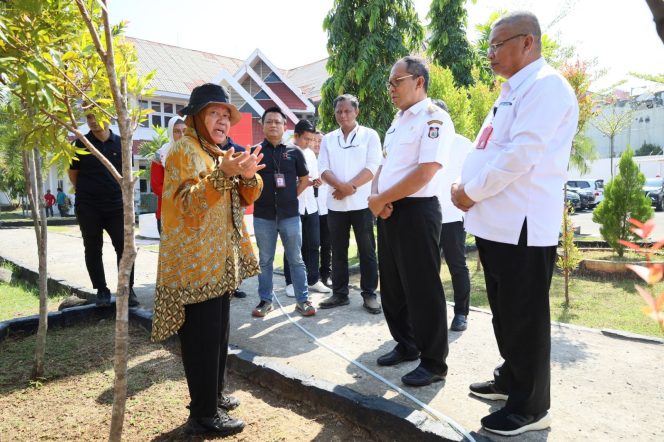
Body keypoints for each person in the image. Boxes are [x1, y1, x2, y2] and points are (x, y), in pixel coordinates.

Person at [451, 11, 579, 436]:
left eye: (498, 43)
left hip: (522, 224)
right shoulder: (510, 91)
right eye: (488, 44)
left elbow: (521, 156)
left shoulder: (546, 88)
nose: (490, 53)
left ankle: (531, 406)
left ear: (528, 42)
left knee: (524, 316)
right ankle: (511, 380)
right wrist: (464, 182)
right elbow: (486, 145)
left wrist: (470, 190)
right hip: (495, 223)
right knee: (505, 315)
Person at [151, 83, 264, 436]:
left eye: (225, 115)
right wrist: (224, 174)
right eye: (214, 113)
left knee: (218, 336)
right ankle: (202, 415)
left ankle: (214, 396)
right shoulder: (184, 150)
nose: (222, 121)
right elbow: (186, 205)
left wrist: (247, 176)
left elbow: (242, 199)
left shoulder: (216, 152)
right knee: (201, 340)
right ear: (196, 117)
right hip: (195, 266)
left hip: (219, 262)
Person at [369, 56, 454, 386]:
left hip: (417, 211)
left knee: (422, 288)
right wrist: (377, 197)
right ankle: (407, 344)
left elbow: (425, 172)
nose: (390, 89)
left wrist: (384, 198)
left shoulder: (435, 119)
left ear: (419, 81)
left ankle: (433, 363)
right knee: (392, 285)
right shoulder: (397, 121)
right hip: (389, 210)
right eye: (389, 83)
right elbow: (385, 165)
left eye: (396, 82)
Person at [318, 94, 382, 314]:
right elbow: (323, 168)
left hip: (362, 204)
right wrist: (340, 186)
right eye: (339, 111)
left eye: (347, 111)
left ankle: (369, 294)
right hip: (335, 205)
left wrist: (349, 188)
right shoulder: (328, 138)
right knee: (338, 250)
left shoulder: (369, 135)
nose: (343, 115)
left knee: (367, 250)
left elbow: (373, 166)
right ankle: (339, 293)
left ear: (357, 112)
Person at [251, 106, 316, 318]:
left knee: (296, 258)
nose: (273, 125)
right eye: (269, 121)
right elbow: (246, 181)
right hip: (263, 216)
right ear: (262, 125)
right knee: (265, 260)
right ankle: (265, 301)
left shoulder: (295, 152)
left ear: (284, 126)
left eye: (277, 122)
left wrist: (290, 197)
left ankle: (302, 300)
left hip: (290, 216)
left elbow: (305, 179)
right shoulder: (254, 152)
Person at [69, 112, 139, 307]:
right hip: (88, 205)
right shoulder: (81, 144)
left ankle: (127, 290)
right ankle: (101, 290)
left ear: (108, 116)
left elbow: (128, 174)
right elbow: (73, 174)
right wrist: (88, 193)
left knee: (125, 248)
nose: (92, 122)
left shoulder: (122, 143)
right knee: (92, 248)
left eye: (96, 116)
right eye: (89, 118)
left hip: (117, 205)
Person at [432, 99, 472, 333]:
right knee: (429, 268)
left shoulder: (463, 144)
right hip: (428, 216)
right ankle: (433, 312)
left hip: (454, 217)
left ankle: (461, 313)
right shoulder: (426, 144)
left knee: (457, 266)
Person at [283, 120, 331, 296]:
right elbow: (286, 183)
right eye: (306, 139)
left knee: (313, 244)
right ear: (296, 136)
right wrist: (305, 182)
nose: (310, 143)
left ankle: (313, 279)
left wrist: (316, 182)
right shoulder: (286, 152)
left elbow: (315, 177)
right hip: (293, 206)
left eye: (312, 139)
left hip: (311, 205)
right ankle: (290, 282)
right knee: (293, 245)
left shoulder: (311, 154)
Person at [151, 117, 186, 234]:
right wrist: (180, 195)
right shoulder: (160, 154)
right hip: (167, 212)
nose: (181, 134)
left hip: (191, 213)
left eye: (185, 131)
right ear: (171, 132)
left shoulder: (196, 152)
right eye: (177, 131)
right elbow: (156, 186)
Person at [312, 130, 332, 286]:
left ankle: (326, 275)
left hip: (327, 208)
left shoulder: (330, 160)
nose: (318, 144)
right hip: (310, 208)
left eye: (320, 141)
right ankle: (311, 276)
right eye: (315, 140)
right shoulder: (304, 158)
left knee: (327, 244)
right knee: (311, 243)